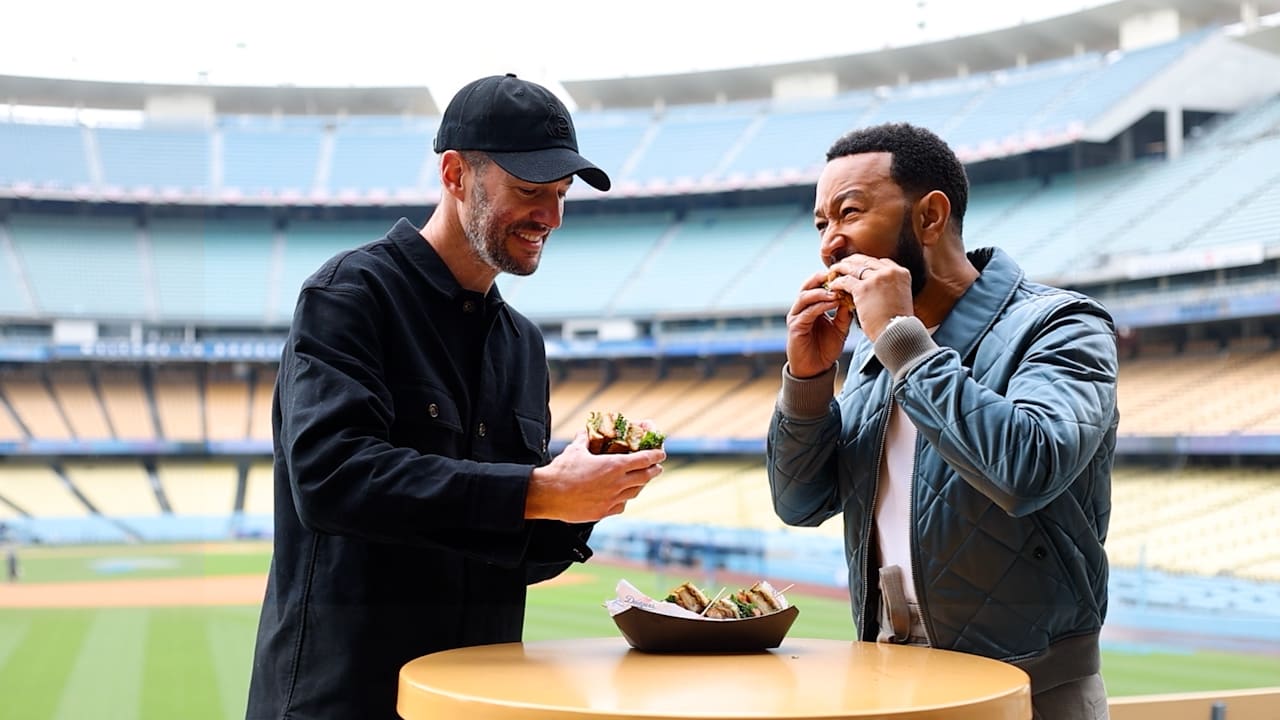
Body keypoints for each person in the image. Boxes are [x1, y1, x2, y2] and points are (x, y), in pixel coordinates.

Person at [245, 74, 667, 720]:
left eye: (561, 195)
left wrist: (585, 500)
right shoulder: (348, 296)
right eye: (531, 191)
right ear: (454, 175)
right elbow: (331, 478)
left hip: (479, 704)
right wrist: (539, 492)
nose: (552, 217)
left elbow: (498, 560)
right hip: (344, 702)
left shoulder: (522, 346)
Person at [766, 122, 1117, 720]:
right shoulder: (876, 356)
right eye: (822, 223)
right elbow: (799, 502)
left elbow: (1027, 469)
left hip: (1031, 687)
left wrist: (901, 341)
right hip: (888, 677)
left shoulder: (1061, 325)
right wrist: (807, 381)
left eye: (849, 213)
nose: (830, 242)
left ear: (930, 217)